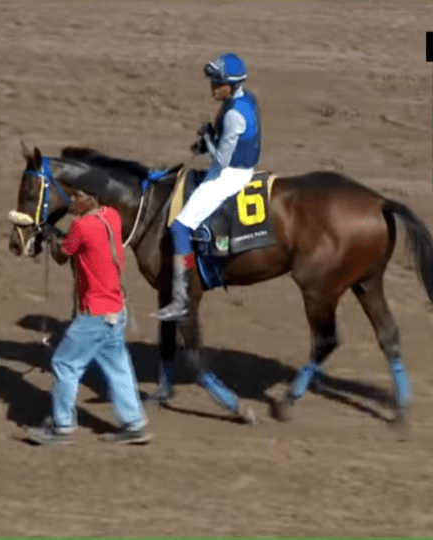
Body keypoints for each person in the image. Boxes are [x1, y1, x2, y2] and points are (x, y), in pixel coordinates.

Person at [26, 169, 152, 447]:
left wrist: (49, 235)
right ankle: (134, 425)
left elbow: (62, 255)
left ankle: (61, 428)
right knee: (118, 366)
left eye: (77, 196)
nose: (72, 200)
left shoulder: (81, 227)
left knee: (64, 363)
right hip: (116, 310)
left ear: (92, 198)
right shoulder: (112, 216)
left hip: (95, 313)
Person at [152, 52, 262, 322]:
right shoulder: (244, 99)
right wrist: (208, 140)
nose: (213, 87)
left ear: (232, 85)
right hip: (237, 167)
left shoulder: (233, 114)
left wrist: (207, 140)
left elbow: (222, 160)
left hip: (230, 175)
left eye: (218, 83)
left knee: (180, 228)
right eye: (213, 82)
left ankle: (181, 297)